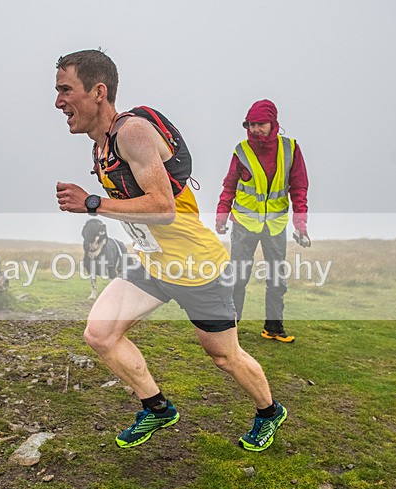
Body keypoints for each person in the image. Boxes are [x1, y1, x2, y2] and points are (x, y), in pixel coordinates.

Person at [55, 50, 287, 452]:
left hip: (195, 268)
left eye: (65, 90)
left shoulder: (132, 132)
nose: (58, 102)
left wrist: (92, 203)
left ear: (98, 92)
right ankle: (157, 407)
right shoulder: (102, 145)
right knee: (100, 333)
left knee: (224, 356)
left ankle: (269, 411)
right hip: (151, 263)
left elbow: (162, 208)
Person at [215, 100, 310, 343]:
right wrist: (221, 216)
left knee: (277, 278)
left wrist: (301, 226)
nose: (255, 129)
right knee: (238, 276)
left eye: (261, 124)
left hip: (276, 225)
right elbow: (229, 185)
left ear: (273, 123)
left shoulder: (290, 149)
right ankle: (230, 326)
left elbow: (299, 188)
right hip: (244, 225)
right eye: (252, 124)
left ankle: (274, 328)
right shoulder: (242, 151)